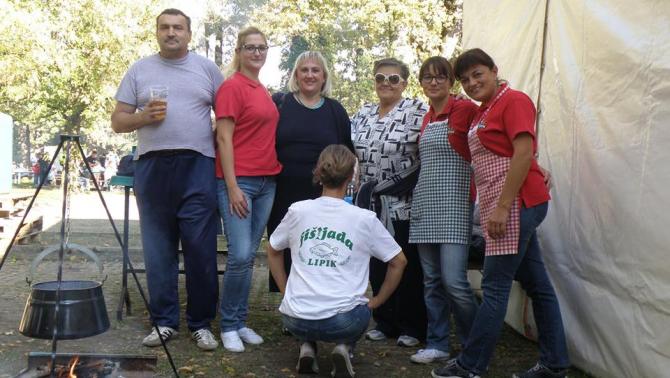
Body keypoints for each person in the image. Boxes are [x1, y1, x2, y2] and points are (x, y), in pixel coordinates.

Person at [432, 48, 570, 378]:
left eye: (478, 74)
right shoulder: (484, 110)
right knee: (538, 287)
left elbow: (523, 152)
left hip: (517, 204)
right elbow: (508, 152)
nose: (472, 82)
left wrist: (504, 208)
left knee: (494, 288)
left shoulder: (514, 100)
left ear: (495, 70)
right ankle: (554, 364)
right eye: (465, 79)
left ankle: (470, 365)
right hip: (508, 203)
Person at [111, 8, 223, 351]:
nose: (171, 33)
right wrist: (142, 116)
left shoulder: (207, 69)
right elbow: (117, 120)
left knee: (201, 249)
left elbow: (229, 115)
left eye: (178, 28)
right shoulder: (139, 69)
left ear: (189, 34)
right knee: (158, 250)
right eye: (165, 27)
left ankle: (201, 323)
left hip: (198, 165)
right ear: (156, 32)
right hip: (153, 166)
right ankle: (163, 322)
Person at [267, 145, 407, 378]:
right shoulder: (364, 219)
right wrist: (377, 301)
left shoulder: (298, 211)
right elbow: (399, 262)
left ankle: (307, 347)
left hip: (294, 319)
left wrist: (286, 292)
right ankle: (344, 347)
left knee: (312, 299)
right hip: (344, 323)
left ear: (318, 172)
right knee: (358, 307)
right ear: (352, 176)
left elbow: (272, 250)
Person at [407, 56, 480, 364]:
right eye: (427, 77)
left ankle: (474, 344)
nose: (433, 82)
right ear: (421, 83)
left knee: (455, 282)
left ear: (451, 82)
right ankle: (437, 343)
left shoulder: (465, 109)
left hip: (455, 205)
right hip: (425, 204)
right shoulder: (426, 118)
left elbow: (492, 141)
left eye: (440, 77)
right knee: (431, 281)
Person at [351, 57, 427, 347]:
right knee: (377, 264)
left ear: (404, 83)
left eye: (393, 79)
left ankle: (412, 326)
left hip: (403, 202)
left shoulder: (417, 110)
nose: (386, 83)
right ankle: (385, 321)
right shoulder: (364, 113)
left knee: (406, 265)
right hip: (369, 204)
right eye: (381, 78)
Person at [215, 26, 282, 352]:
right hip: (239, 181)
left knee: (248, 257)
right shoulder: (232, 87)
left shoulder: (261, 88)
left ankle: (240, 321)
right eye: (250, 47)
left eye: (262, 48)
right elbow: (223, 138)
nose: (257, 53)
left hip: (267, 181)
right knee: (240, 255)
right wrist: (231, 187)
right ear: (239, 51)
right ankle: (228, 324)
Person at [267, 51, 354, 294]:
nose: (309, 75)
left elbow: (347, 152)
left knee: (319, 246)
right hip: (283, 190)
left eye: (315, 70)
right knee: (286, 245)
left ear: (324, 76)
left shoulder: (336, 111)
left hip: (323, 193)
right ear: (296, 74)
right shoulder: (280, 103)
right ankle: (288, 301)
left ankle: (321, 298)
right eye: (304, 70)